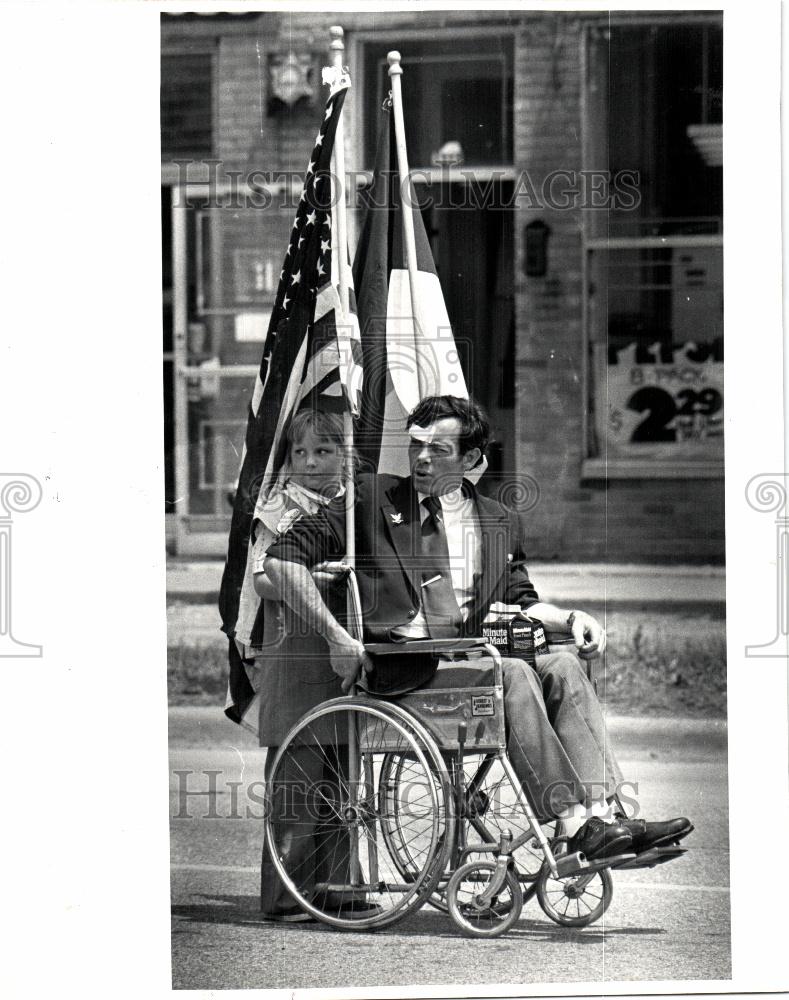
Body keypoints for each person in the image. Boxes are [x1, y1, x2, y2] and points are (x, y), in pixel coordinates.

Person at [264, 395, 693, 862]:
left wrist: (572, 618)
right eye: (415, 446)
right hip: (401, 667)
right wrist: (338, 638)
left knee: (565, 663)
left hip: (466, 661)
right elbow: (281, 561)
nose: (422, 458)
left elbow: (520, 599)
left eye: (438, 449)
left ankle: (605, 814)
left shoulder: (495, 519)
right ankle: (572, 822)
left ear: (471, 459)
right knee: (512, 672)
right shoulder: (371, 499)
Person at [246, 408, 379, 923]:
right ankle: (287, 894)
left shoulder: (351, 507)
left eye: (323, 451)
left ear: (345, 456)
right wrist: (309, 576)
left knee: (343, 771)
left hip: (341, 643)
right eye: (299, 453)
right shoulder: (280, 508)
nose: (309, 462)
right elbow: (260, 579)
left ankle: (338, 884)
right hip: (294, 646)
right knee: (297, 774)